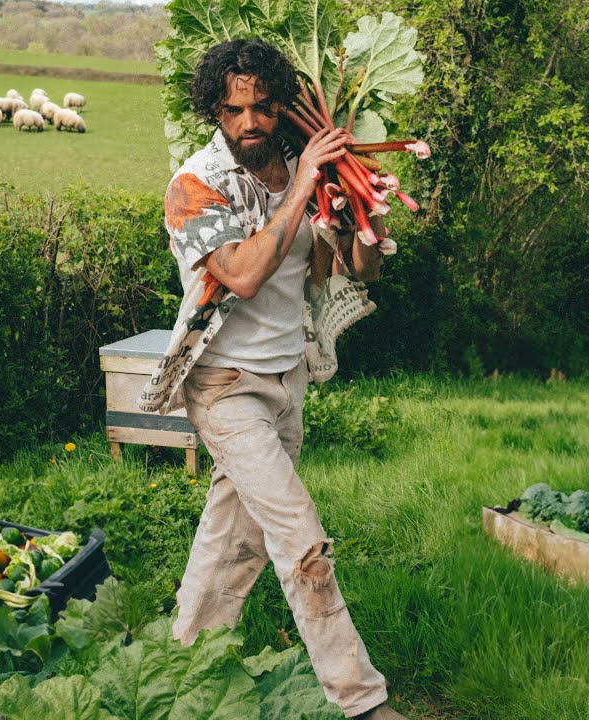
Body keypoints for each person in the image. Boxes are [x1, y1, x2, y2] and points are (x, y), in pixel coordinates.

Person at [139, 39, 406, 720]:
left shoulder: (303, 170)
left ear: (280, 103)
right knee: (299, 537)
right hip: (225, 387)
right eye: (235, 110)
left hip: (288, 380)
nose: (251, 122)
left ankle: (181, 664)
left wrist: (359, 214)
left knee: (235, 538)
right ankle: (362, 700)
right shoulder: (193, 186)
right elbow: (246, 273)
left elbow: (357, 268)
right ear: (214, 110)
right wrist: (304, 184)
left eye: (262, 107)